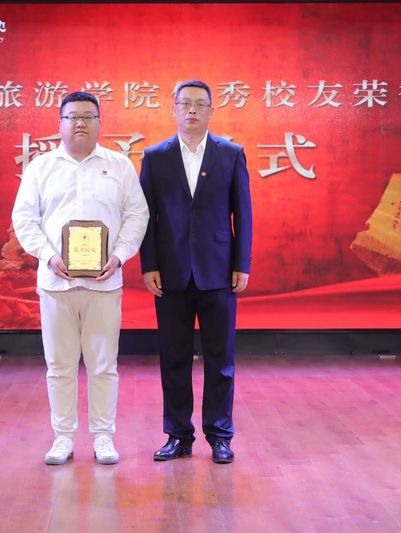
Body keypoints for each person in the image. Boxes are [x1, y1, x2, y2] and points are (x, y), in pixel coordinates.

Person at [12, 91, 149, 465]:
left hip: (104, 283)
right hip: (56, 283)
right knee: (59, 366)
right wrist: (49, 255)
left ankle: (103, 437)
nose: (80, 123)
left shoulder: (119, 165)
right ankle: (63, 437)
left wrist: (119, 256)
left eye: (88, 116)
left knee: (104, 365)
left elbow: (137, 215)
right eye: (72, 117)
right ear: (60, 123)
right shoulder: (41, 167)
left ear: (100, 123)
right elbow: (24, 219)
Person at [139, 80, 253, 464]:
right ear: (173, 108)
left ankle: (220, 435)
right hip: (170, 273)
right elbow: (146, 217)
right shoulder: (155, 157)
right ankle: (178, 435)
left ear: (211, 111)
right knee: (174, 357)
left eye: (200, 104)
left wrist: (242, 264)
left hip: (219, 271)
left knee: (221, 358)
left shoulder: (230, 154)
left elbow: (243, 214)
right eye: (185, 103)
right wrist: (149, 264)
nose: (192, 110)